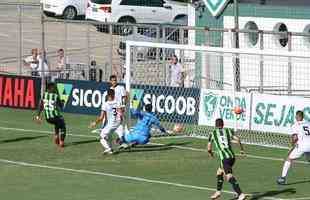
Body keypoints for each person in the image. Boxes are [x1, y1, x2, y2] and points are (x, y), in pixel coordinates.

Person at [208, 118, 246, 200]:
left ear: (215, 125)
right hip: (232, 157)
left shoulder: (212, 133)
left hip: (225, 159)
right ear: (223, 124)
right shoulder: (228, 131)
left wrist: (210, 153)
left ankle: (240, 194)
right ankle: (218, 192)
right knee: (219, 172)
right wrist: (242, 150)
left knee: (228, 176)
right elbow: (238, 139)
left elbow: (209, 148)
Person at [277, 110, 310, 185]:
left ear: (297, 116)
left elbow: (295, 137)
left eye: (296, 116)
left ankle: (282, 178)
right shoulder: (308, 123)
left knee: (289, 159)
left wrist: (292, 144)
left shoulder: (295, 125)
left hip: (302, 146)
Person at [89, 89, 124, 154]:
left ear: (107, 95)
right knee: (109, 135)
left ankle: (108, 148)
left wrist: (95, 123)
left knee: (101, 137)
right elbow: (121, 113)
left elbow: (101, 117)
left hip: (111, 124)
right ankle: (111, 149)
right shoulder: (118, 102)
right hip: (118, 122)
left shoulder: (105, 104)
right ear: (114, 94)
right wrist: (120, 121)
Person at [35, 82, 66, 148]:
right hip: (55, 116)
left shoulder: (44, 95)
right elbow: (61, 106)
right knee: (63, 125)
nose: (55, 89)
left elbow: (40, 106)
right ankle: (61, 142)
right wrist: (63, 102)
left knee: (57, 123)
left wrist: (38, 116)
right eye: (53, 87)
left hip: (48, 118)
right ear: (50, 88)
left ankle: (56, 136)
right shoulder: (55, 96)